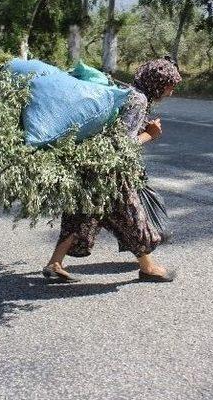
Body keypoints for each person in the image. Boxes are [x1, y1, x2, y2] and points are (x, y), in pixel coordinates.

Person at [43, 58, 182, 283]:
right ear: (157, 83)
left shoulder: (127, 91)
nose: (171, 92)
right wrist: (150, 134)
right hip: (110, 172)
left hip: (92, 166)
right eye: (170, 86)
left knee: (81, 214)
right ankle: (148, 267)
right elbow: (120, 144)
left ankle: (54, 263)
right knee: (132, 216)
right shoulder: (138, 100)